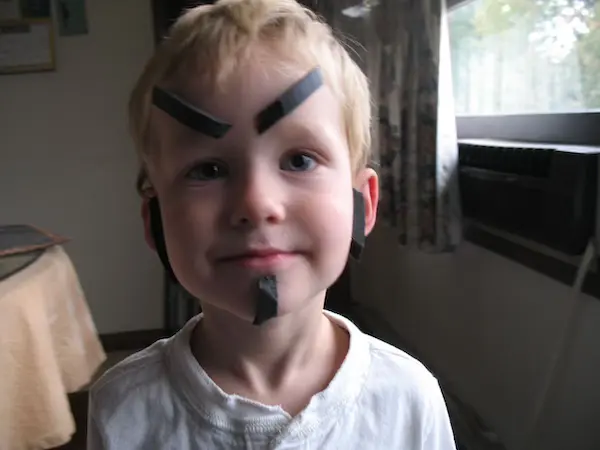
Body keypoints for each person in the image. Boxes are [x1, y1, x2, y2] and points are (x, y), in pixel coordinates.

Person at [87, 0, 457, 448]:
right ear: (155, 221)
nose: (256, 203)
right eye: (207, 170)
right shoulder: (121, 408)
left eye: (299, 160)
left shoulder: (408, 400)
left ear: (364, 202)